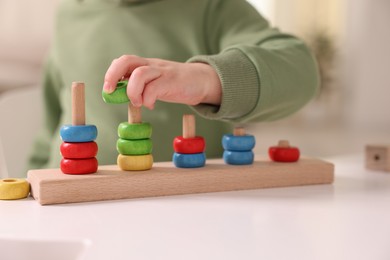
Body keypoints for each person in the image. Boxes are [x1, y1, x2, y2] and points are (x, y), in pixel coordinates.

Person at [26, 0, 319, 172]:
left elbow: (301, 71)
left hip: (185, 211)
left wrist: (206, 79)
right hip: (71, 211)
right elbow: (51, 125)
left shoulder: (211, 7)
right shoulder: (68, 13)